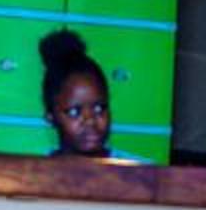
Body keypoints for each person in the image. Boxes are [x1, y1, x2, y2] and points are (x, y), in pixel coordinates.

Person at [38, 28, 146, 162]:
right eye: (74, 112)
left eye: (99, 108)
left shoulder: (139, 170)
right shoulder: (33, 171)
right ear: (51, 117)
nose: (90, 121)